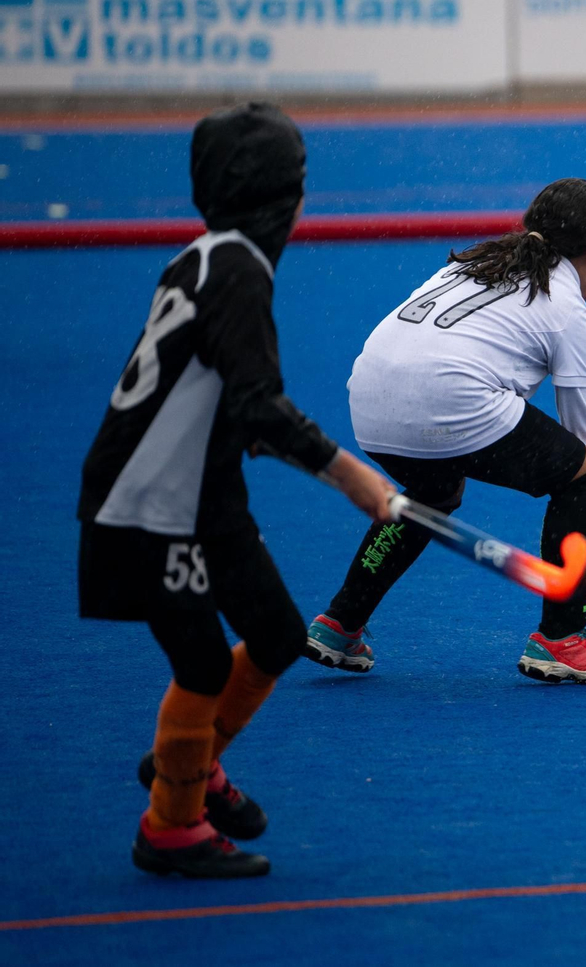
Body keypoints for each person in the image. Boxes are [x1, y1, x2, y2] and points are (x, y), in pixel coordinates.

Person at [77, 102, 396, 878]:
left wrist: (243, 425)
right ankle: (171, 824)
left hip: (206, 493)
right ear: (286, 196)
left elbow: (209, 384)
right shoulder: (239, 272)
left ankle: (188, 762)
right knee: (201, 667)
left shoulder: (204, 258)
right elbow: (257, 401)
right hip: (153, 500)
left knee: (278, 636)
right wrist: (350, 474)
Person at [304, 178, 586, 685]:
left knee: (433, 492)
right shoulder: (566, 308)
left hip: (369, 406)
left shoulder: (475, 261)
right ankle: (562, 639)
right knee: (584, 476)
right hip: (449, 402)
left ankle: (341, 622)